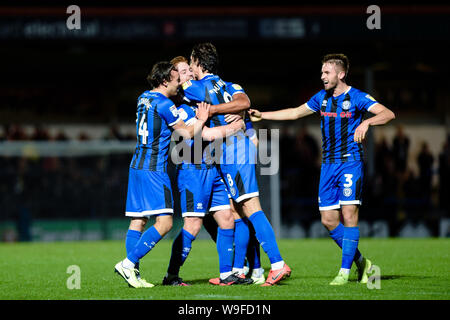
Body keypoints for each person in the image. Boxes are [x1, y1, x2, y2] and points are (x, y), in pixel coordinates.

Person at [249, 53, 395, 285]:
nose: (322, 77)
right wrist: (262, 115)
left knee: (349, 216)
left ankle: (344, 272)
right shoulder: (322, 98)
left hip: (350, 162)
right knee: (328, 220)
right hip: (327, 166)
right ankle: (362, 262)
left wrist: (367, 122)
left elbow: (388, 113)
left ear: (341, 74)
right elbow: (296, 112)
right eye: (321, 73)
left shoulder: (357, 97)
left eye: (326, 72)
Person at [184, 42, 291, 286]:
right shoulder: (229, 85)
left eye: (191, 62)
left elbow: (170, 89)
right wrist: (223, 112)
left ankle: (277, 264)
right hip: (230, 153)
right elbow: (243, 102)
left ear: (198, 62)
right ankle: (239, 270)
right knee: (238, 211)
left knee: (252, 207)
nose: (189, 68)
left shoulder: (194, 87)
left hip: (233, 152)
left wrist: (209, 110)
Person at [114, 61, 210, 288]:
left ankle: (132, 275)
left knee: (138, 221)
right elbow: (187, 134)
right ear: (165, 80)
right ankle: (128, 263)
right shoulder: (166, 105)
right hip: (154, 170)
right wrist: (202, 119)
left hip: (136, 165)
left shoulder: (143, 97)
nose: (180, 85)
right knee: (165, 223)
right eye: (177, 80)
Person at [163, 56, 253, 286]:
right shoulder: (180, 107)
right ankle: (171, 274)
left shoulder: (201, 102)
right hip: (192, 170)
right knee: (192, 225)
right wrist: (234, 126)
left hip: (211, 168)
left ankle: (226, 274)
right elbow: (202, 135)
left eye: (189, 70)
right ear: (175, 78)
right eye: (183, 72)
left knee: (226, 219)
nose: (189, 74)